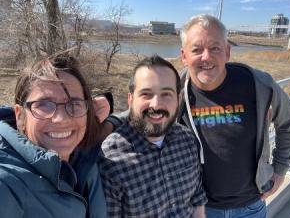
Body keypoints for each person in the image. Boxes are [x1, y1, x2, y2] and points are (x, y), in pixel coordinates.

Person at [179, 14, 290, 218]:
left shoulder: (258, 84)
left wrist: (280, 170)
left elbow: (288, 122)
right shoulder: (175, 91)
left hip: (251, 207)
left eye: (215, 48)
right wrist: (109, 120)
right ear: (184, 56)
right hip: (198, 208)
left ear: (227, 52)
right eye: (197, 49)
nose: (206, 57)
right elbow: (142, 109)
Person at [98, 55, 207, 218]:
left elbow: (197, 200)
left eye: (166, 94)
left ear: (178, 99)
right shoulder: (110, 159)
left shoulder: (187, 140)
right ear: (130, 99)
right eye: (146, 94)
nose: (156, 105)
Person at [0, 55, 107, 218]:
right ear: (20, 116)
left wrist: (110, 108)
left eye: (74, 104)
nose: (61, 119)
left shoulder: (82, 155)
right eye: (43, 104)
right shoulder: (7, 183)